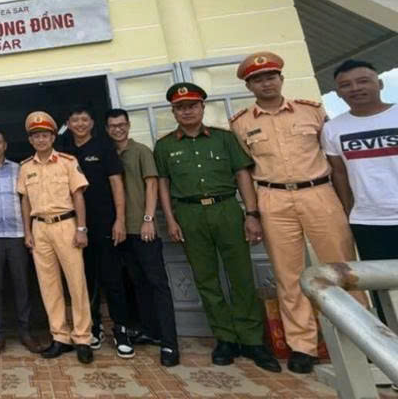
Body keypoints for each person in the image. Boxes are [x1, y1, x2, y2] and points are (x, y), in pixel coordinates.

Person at [230, 52, 364, 374]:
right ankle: (302, 345)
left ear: (281, 79)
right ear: (249, 86)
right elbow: (244, 169)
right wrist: (252, 212)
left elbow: (334, 159)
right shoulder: (241, 123)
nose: (266, 83)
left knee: (341, 267)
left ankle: (360, 336)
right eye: (258, 80)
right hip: (273, 197)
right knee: (288, 274)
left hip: (318, 192)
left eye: (271, 77)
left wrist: (347, 201)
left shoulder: (311, 111)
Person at [154, 83, 281, 373]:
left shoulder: (224, 138)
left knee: (241, 276)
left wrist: (251, 213)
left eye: (192, 106)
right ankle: (224, 338)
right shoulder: (165, 146)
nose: (187, 111)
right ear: (173, 112)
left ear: (202, 107)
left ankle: (252, 340)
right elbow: (163, 184)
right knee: (206, 278)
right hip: (189, 213)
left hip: (226, 209)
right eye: (180, 107)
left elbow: (242, 175)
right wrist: (171, 219)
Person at [322, 59, 398, 318]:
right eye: (346, 85)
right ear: (338, 92)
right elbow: (339, 173)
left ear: (380, 83)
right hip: (371, 224)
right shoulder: (333, 129)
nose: (355, 88)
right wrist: (348, 213)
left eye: (363, 81)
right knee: (390, 297)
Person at [104, 109, 180, 367]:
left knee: (157, 283)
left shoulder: (141, 151)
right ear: (107, 129)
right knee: (137, 283)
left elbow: (152, 184)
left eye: (121, 125)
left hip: (142, 228)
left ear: (128, 125)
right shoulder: (109, 154)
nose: (118, 129)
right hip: (121, 230)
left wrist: (149, 219)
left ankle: (169, 342)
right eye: (113, 126)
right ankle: (150, 330)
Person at [18, 111, 94, 365]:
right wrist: (28, 232)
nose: (41, 140)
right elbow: (25, 201)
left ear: (53, 137)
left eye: (45, 135)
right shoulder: (25, 167)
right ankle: (60, 336)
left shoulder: (67, 162)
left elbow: (78, 196)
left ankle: (82, 337)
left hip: (66, 225)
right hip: (40, 228)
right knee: (48, 285)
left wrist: (81, 228)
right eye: (36, 136)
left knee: (76, 282)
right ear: (31, 140)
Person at [62, 106, 134, 357]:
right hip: (75, 226)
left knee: (112, 277)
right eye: (75, 120)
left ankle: (121, 330)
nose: (80, 124)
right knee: (86, 279)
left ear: (92, 123)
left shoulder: (104, 147)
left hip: (105, 222)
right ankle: (94, 326)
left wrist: (120, 220)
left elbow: (117, 184)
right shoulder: (65, 152)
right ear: (68, 124)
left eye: (84, 119)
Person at [0, 130, 42, 356]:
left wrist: (28, 231)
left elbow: (25, 199)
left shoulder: (18, 169)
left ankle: (25, 332)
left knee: (22, 285)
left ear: (5, 145)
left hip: (16, 234)